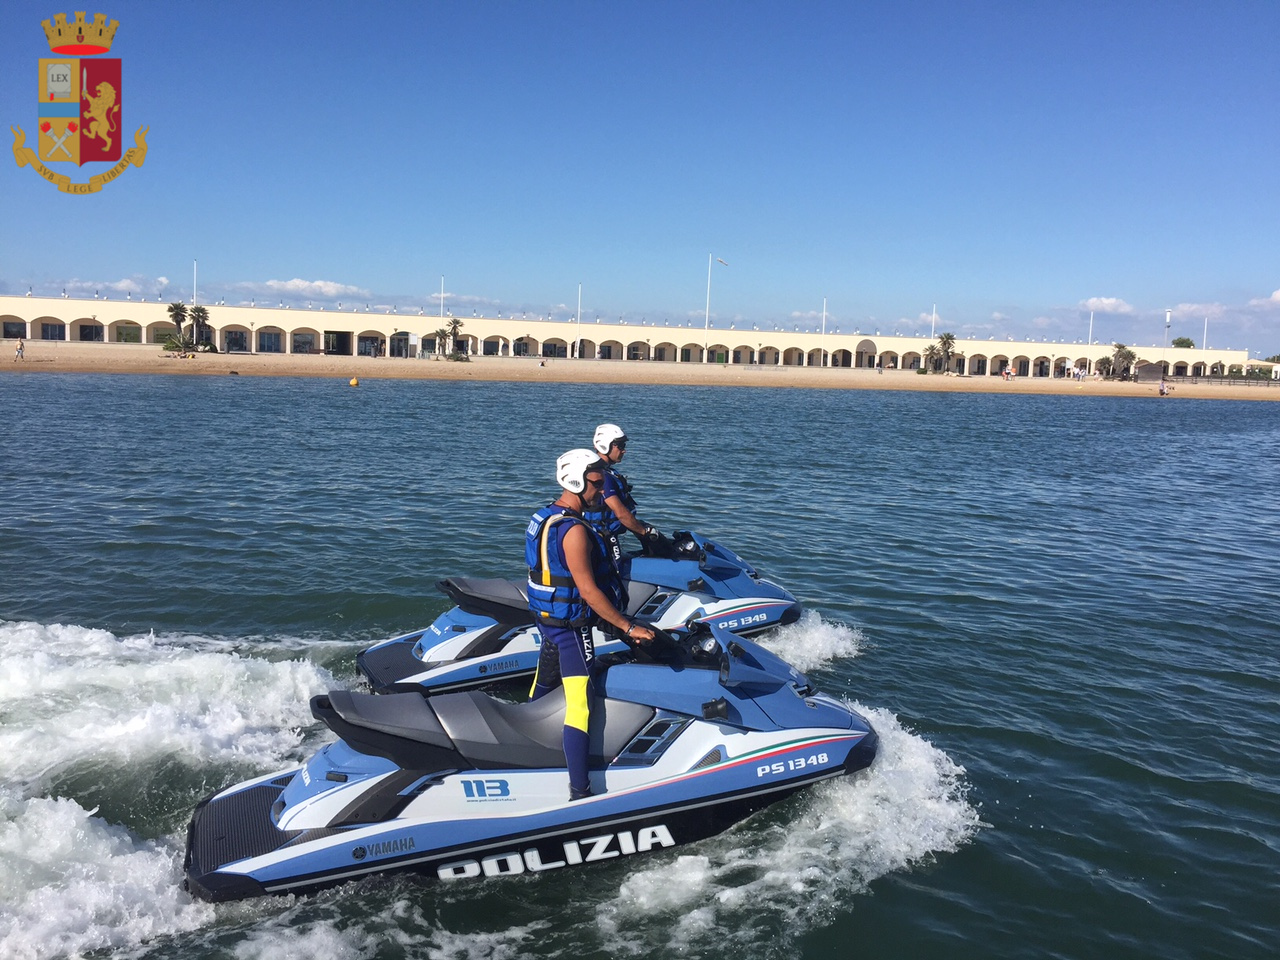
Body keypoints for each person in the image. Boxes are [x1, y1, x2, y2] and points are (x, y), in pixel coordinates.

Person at [526, 448, 656, 800]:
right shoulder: (575, 531)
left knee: (547, 672)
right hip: (571, 627)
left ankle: (525, 724)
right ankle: (580, 791)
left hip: (547, 619)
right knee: (581, 703)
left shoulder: (545, 517)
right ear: (576, 481)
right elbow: (588, 590)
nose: (602, 490)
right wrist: (627, 626)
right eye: (597, 484)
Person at [583, 423, 663, 562]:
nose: (624, 451)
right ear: (605, 446)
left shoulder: (607, 472)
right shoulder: (603, 477)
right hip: (601, 539)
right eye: (620, 446)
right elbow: (620, 512)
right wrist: (645, 533)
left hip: (605, 536)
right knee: (616, 572)